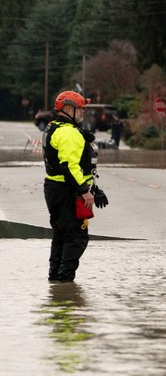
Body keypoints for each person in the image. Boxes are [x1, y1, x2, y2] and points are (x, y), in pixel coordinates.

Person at [42, 91, 109, 283]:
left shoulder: (53, 127)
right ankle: (65, 282)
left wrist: (93, 188)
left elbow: (76, 166)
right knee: (77, 237)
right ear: (68, 109)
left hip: (54, 189)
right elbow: (70, 167)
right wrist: (84, 191)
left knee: (60, 235)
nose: (82, 113)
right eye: (80, 110)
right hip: (67, 191)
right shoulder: (68, 133)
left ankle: (54, 279)